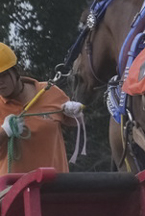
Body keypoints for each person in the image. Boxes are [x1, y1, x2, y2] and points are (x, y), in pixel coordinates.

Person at [1, 42, 83, 175]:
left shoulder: (50, 92)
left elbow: (74, 123)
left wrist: (75, 114)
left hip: (56, 183)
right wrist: (5, 131)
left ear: (15, 71)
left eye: (3, 75)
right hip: (14, 186)